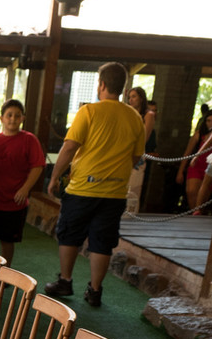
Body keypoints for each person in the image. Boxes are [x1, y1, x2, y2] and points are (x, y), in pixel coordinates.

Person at [45, 61, 145, 308]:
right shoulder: (134, 117)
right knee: (102, 241)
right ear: (121, 87)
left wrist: (55, 176)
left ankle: (65, 280)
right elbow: (135, 157)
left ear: (101, 84)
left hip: (82, 189)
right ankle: (95, 290)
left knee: (69, 234)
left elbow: (69, 147)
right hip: (114, 192)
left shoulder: (88, 112)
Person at [0, 99, 45, 266]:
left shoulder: (29, 140)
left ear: (22, 118)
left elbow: (37, 166)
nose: (13, 119)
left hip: (14, 201)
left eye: (17, 116)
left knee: (7, 241)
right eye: (9, 115)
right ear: (1, 118)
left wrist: (25, 189)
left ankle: (5, 273)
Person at [177, 109, 212, 211]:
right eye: (208, 121)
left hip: (208, 167)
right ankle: (195, 213)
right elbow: (187, 153)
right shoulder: (199, 134)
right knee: (191, 191)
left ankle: (199, 214)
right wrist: (180, 171)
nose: (210, 123)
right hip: (196, 166)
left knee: (203, 199)